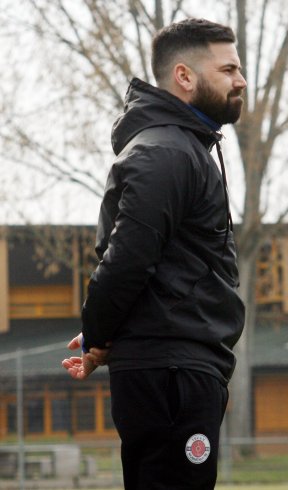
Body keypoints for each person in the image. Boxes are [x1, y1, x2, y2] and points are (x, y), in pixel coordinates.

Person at [61, 18, 247, 490]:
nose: (240, 81)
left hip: (175, 367)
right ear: (185, 76)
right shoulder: (168, 152)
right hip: (172, 374)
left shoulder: (181, 148)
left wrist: (102, 336)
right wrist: (98, 333)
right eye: (228, 69)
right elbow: (126, 259)